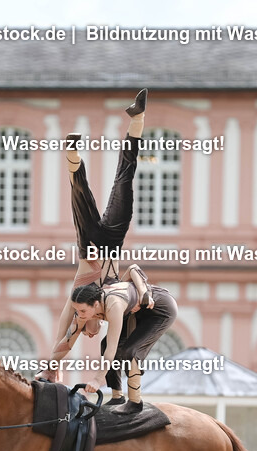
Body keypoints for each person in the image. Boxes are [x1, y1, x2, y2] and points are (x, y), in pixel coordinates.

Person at [40, 89, 149, 404]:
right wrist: (143, 290)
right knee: (124, 179)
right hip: (112, 239)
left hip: (90, 243)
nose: (90, 333)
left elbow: (64, 331)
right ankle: (138, 118)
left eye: (88, 331)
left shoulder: (78, 303)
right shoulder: (104, 306)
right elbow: (132, 274)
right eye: (92, 332)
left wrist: (52, 365)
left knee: (81, 196)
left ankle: (73, 156)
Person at [44, 275, 177, 414]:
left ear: (95, 305)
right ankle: (117, 397)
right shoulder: (85, 311)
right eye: (77, 311)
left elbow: (112, 349)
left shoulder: (114, 305)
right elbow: (68, 341)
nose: (80, 315)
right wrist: (49, 367)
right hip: (137, 312)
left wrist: (97, 380)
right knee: (104, 343)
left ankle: (135, 402)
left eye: (82, 311)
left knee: (130, 351)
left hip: (161, 309)